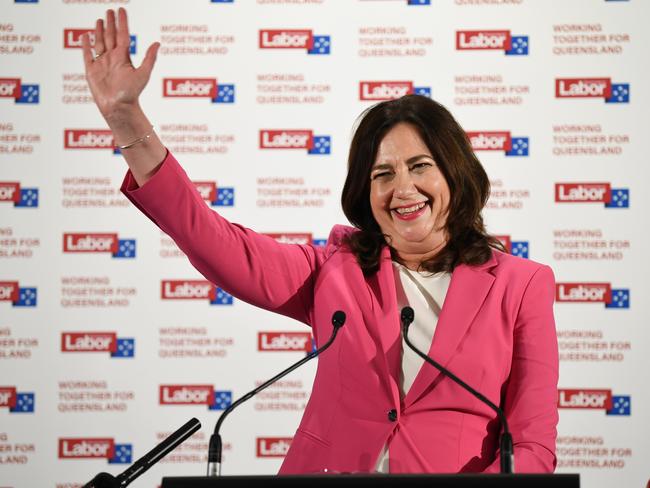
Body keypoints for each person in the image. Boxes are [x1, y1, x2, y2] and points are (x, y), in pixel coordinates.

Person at [82, 8, 559, 474]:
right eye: (383, 174)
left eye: (420, 167)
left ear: (455, 174)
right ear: (365, 193)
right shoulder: (335, 270)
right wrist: (126, 119)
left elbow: (532, 445)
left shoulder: (521, 287)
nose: (403, 190)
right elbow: (212, 240)